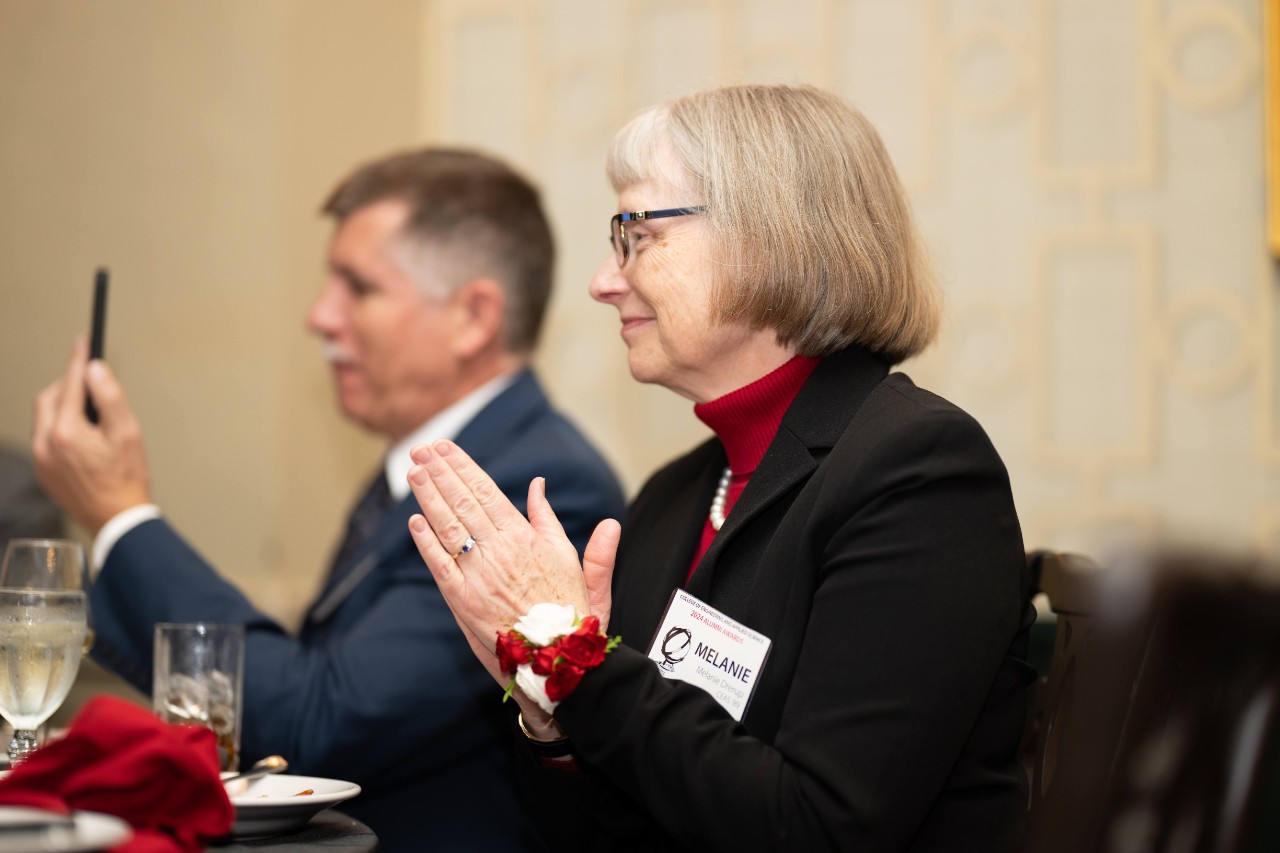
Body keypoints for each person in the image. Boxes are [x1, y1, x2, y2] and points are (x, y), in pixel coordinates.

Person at [401, 85, 1037, 851]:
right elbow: (596, 829)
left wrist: (569, 656)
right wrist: (549, 713)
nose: (605, 280)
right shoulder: (678, 493)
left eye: (636, 233)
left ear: (767, 237)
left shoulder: (920, 473)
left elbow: (818, 827)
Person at [31, 147, 626, 851]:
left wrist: (121, 516)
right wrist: (74, 596)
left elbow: (319, 720)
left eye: (359, 287)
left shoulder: (531, 485)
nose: (321, 316)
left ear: (474, 317)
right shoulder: (431, 458)